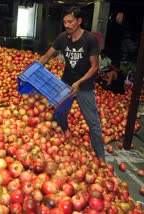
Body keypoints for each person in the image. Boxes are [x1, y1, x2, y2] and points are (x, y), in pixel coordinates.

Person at [38, 6, 105, 164]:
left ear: (79, 21)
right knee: (59, 114)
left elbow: (95, 66)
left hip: (85, 85)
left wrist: (79, 82)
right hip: (66, 83)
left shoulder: (90, 39)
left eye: (70, 21)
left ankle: (101, 156)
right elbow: (48, 56)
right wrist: (33, 69)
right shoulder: (62, 38)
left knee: (93, 121)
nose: (67, 25)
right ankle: (62, 140)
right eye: (65, 22)